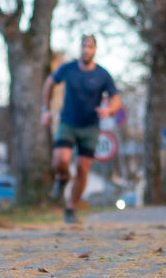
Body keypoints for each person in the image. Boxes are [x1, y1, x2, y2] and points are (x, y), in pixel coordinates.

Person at [41, 34, 122, 225]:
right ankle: (62, 177)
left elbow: (116, 99)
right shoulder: (68, 69)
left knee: (83, 169)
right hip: (68, 123)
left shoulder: (102, 74)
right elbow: (49, 83)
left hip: (90, 127)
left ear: (95, 50)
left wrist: (109, 110)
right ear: (80, 48)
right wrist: (46, 109)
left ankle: (70, 209)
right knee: (61, 160)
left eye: (90, 47)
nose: (86, 50)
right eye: (84, 46)